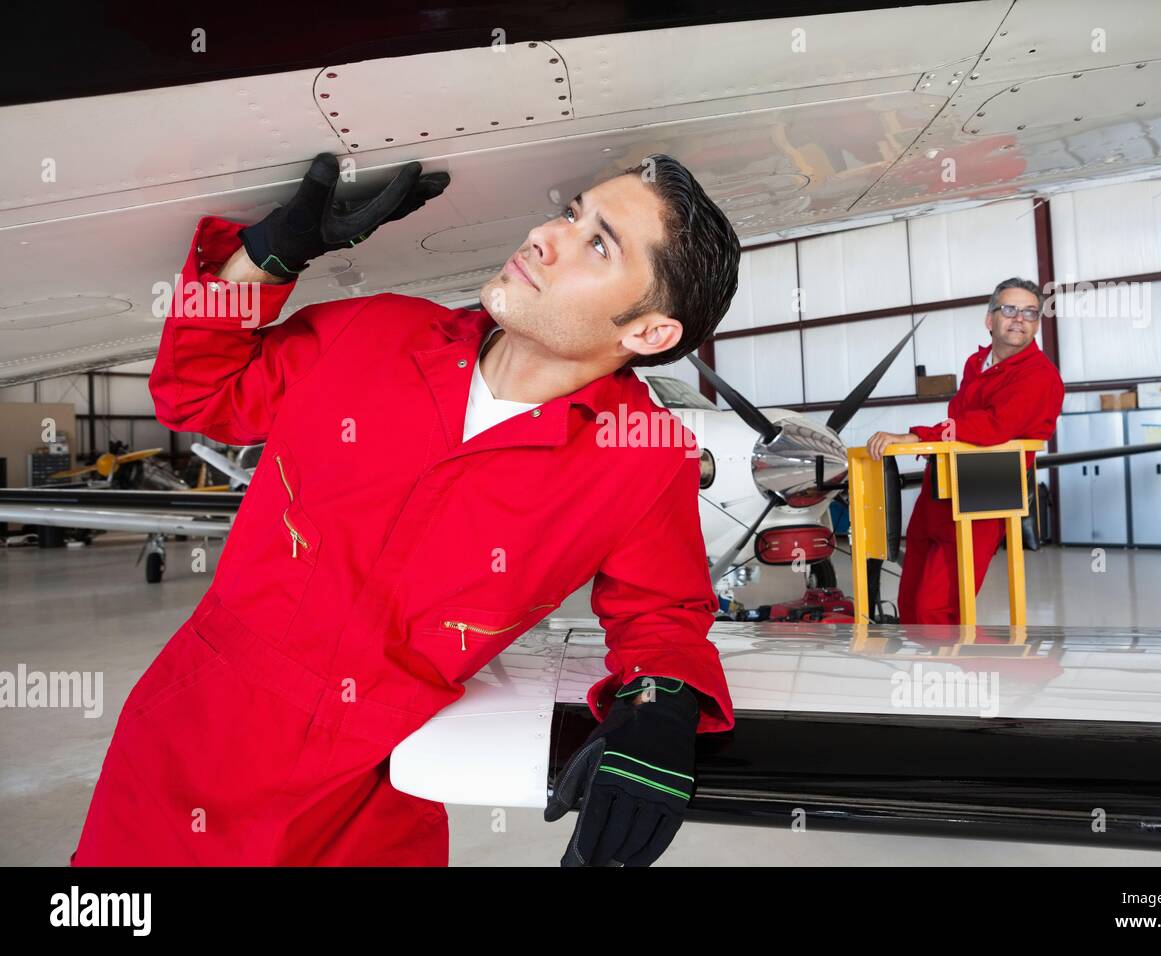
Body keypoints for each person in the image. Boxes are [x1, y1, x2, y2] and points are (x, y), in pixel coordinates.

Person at [70, 152, 740, 867]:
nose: (547, 233)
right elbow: (196, 392)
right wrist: (266, 257)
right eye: (572, 212)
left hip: (369, 801)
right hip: (185, 748)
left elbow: (660, 613)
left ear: (648, 333)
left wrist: (661, 708)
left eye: (597, 243)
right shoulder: (373, 333)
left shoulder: (640, 457)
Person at [865, 278, 1064, 626]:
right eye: (1009, 309)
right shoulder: (977, 363)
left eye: (1030, 312)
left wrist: (919, 435)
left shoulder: (1040, 376)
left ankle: (989, 675)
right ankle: (931, 675)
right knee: (910, 602)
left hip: (983, 492)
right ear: (990, 320)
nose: (1020, 318)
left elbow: (992, 428)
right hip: (940, 487)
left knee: (936, 610)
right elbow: (963, 422)